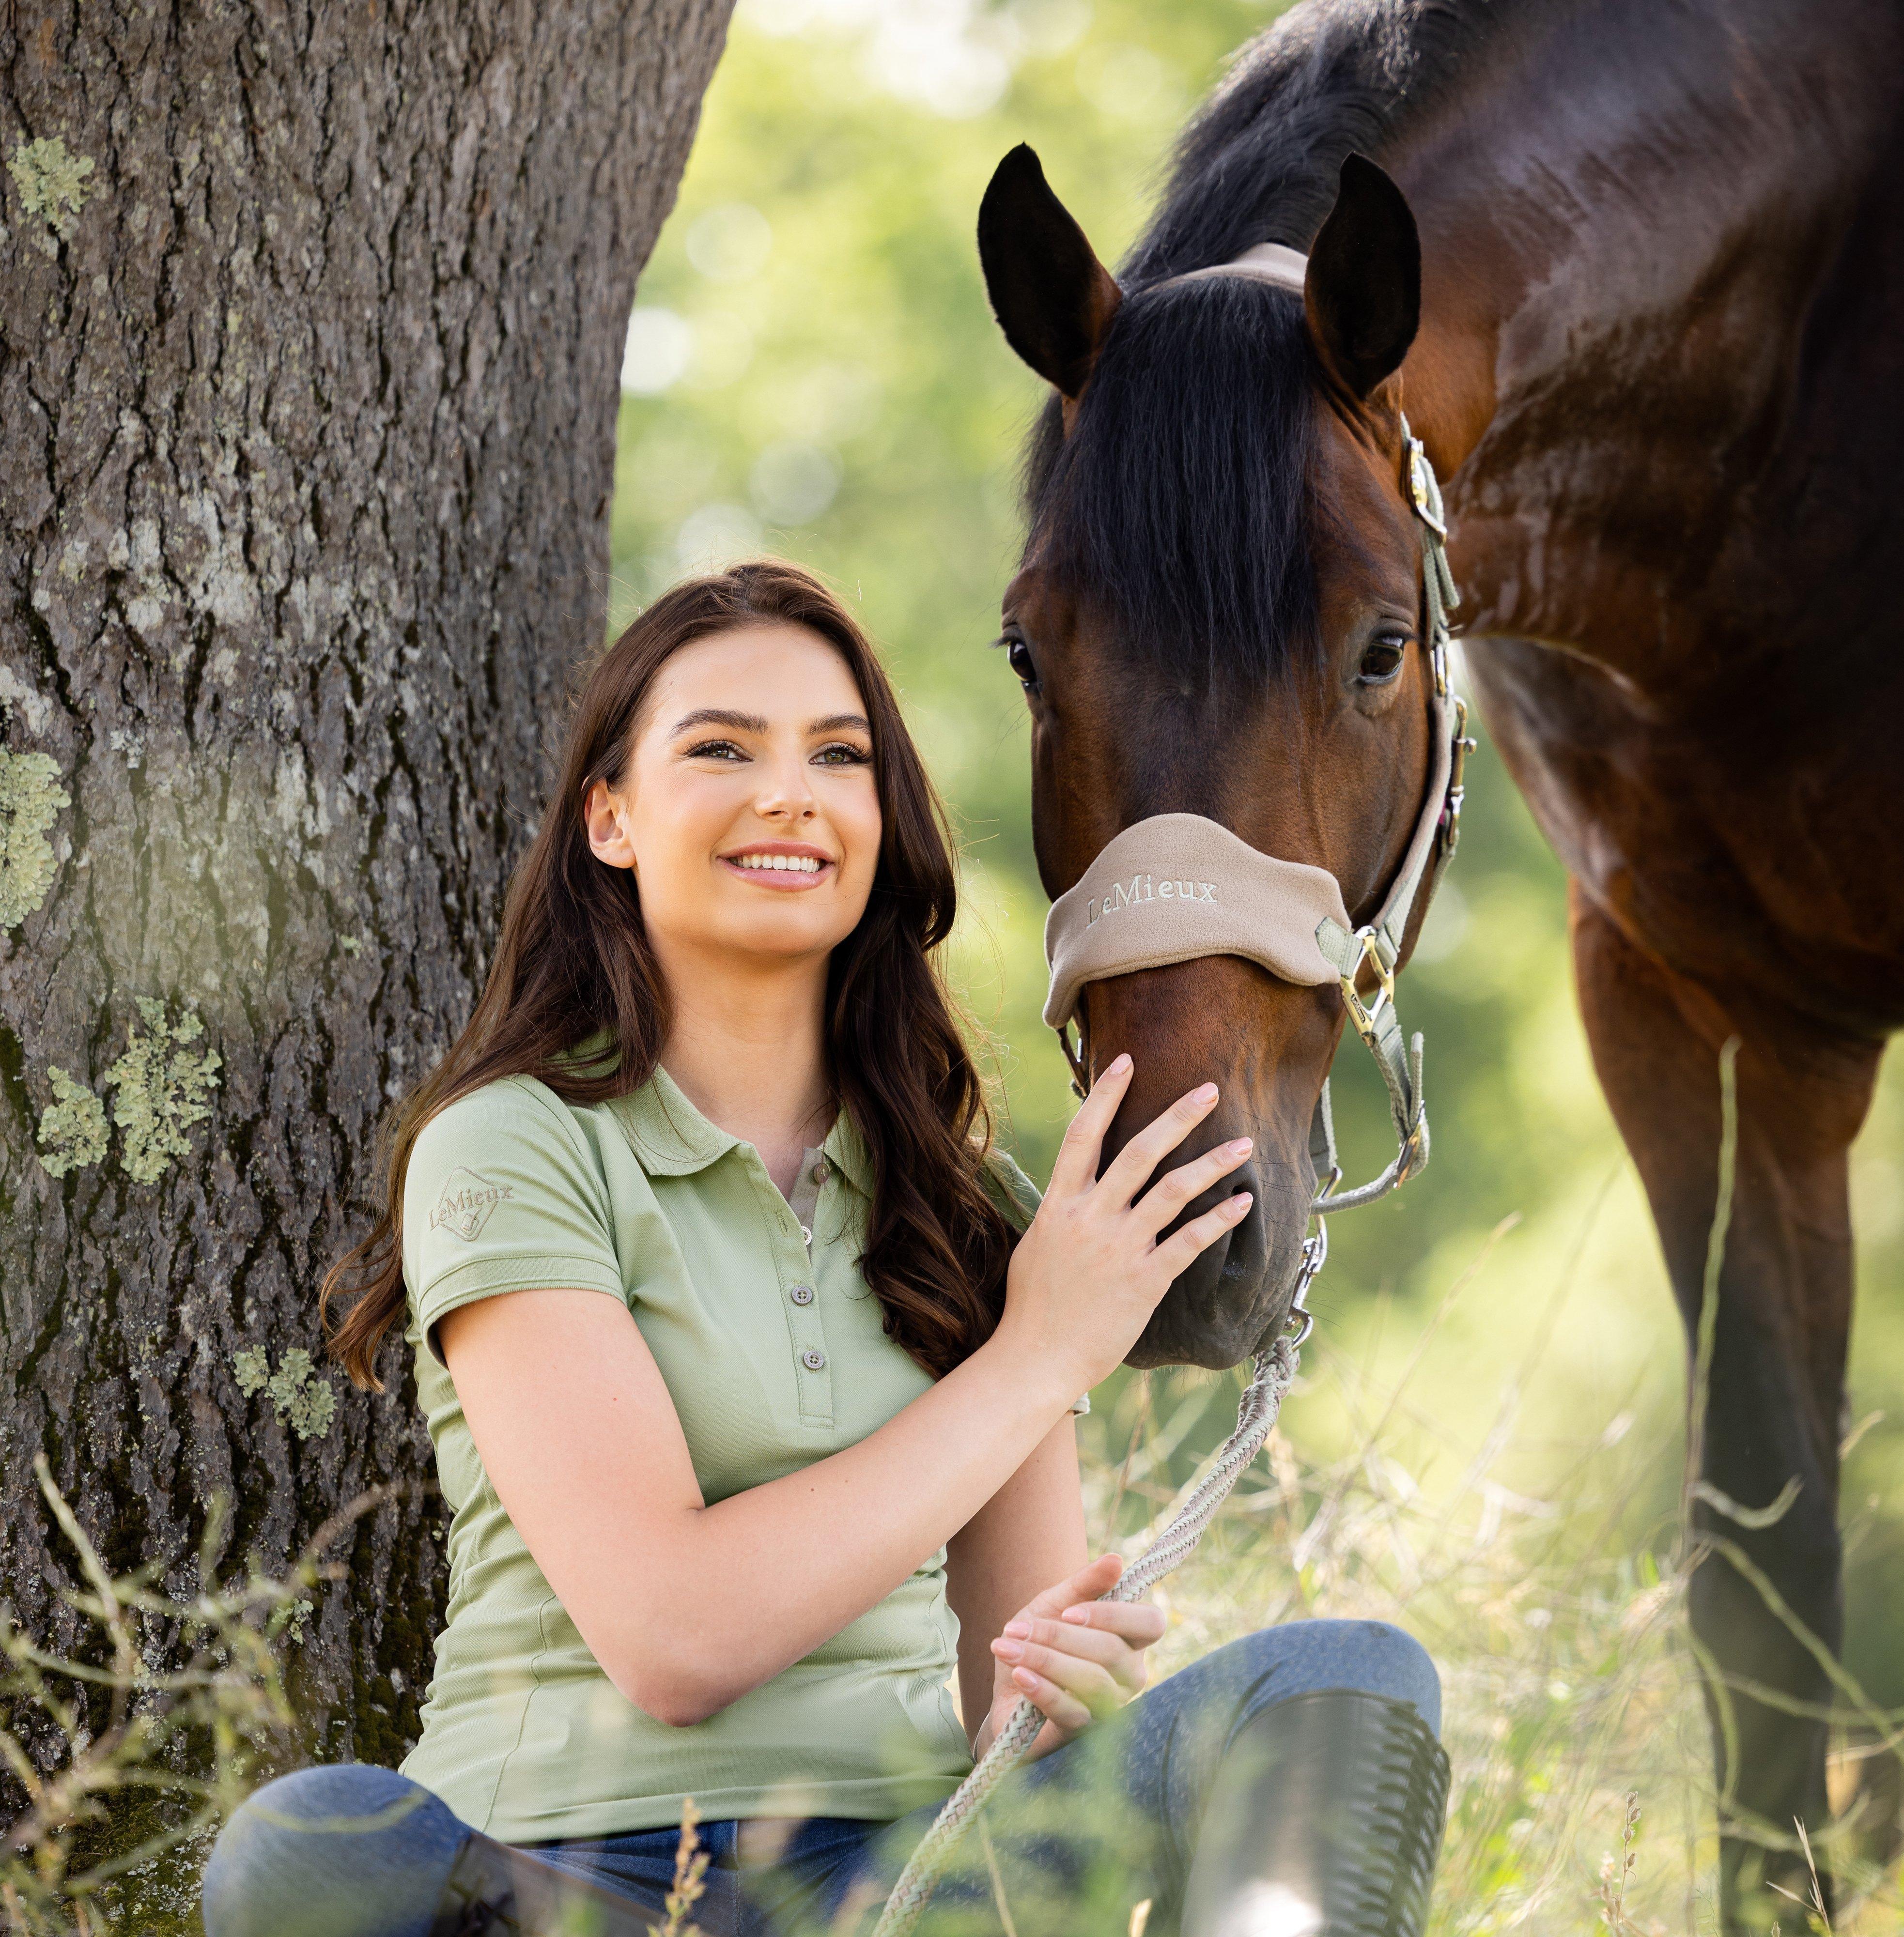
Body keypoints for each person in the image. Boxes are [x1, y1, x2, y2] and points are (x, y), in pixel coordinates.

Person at [201, 560, 1449, 1937]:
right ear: (610, 818)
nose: (789, 791)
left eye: (838, 756)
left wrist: (1061, 1685)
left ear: (878, 819)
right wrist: (1036, 1355)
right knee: (306, 1850)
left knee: (1347, 1679)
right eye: (722, 748)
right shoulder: (516, 1146)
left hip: (896, 1888)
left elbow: (1004, 1719)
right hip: (563, 1887)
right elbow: (672, 1642)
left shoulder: (963, 1207)